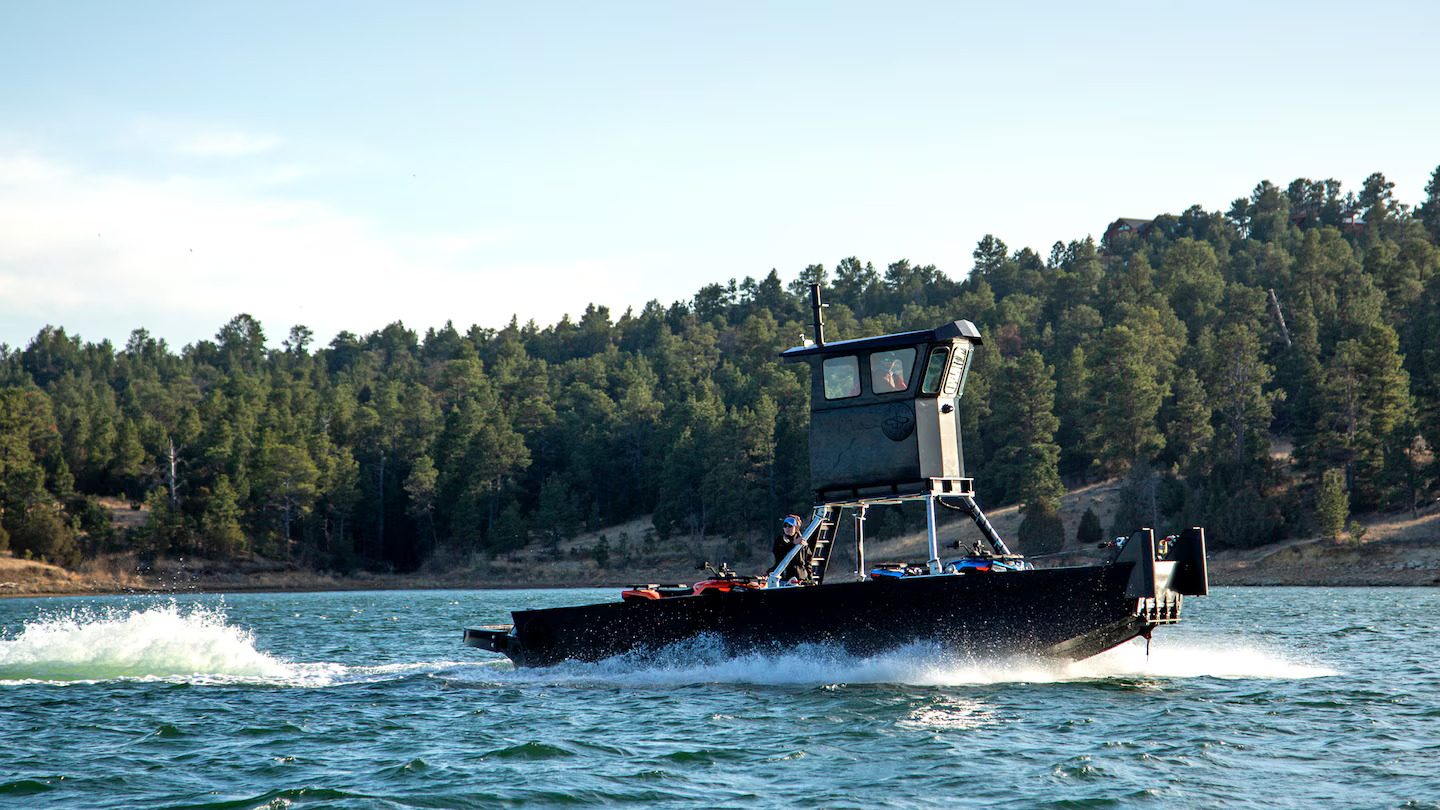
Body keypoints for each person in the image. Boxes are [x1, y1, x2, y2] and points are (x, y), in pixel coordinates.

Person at [771, 514, 811, 582]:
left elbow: (808, 561)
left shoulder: (803, 541)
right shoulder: (779, 540)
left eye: (790, 526)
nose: (787, 528)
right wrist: (793, 544)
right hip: (784, 578)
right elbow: (779, 554)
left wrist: (810, 577)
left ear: (796, 527)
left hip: (801, 576)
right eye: (785, 526)